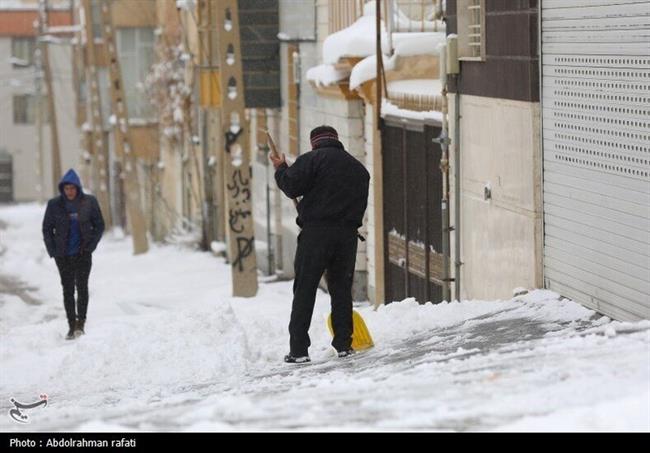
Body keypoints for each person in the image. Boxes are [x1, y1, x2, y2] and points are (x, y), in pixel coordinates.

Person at [270, 126, 370, 363]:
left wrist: (281, 168)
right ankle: (344, 344)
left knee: (305, 289)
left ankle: (299, 350)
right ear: (337, 140)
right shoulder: (359, 169)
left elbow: (291, 186)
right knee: (341, 290)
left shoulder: (311, 160)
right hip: (347, 236)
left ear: (314, 143)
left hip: (316, 235)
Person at [42, 169, 104, 340]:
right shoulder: (54, 204)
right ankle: (71, 325)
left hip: (83, 254)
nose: (69, 191)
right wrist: (53, 250)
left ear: (78, 188)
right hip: (63, 255)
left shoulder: (89, 202)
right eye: (66, 188)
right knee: (68, 290)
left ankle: (80, 323)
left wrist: (91, 246)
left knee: (82, 288)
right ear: (62, 189)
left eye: (72, 188)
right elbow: (47, 229)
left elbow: (99, 225)